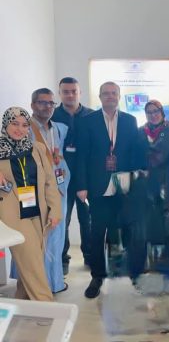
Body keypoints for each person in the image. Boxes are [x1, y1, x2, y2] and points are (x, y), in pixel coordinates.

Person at [76, 81, 141, 298]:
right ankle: (97, 276)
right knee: (97, 233)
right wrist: (82, 186)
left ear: (119, 96)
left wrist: (135, 183)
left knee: (128, 232)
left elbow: (134, 153)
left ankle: (134, 273)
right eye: (106, 93)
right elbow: (81, 156)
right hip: (98, 186)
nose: (110, 96)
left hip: (124, 187)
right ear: (100, 96)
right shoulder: (88, 121)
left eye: (114, 93)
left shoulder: (130, 121)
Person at [0, 107, 61, 301]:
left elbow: (50, 181)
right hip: (12, 213)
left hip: (37, 210)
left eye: (25, 125)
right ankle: (46, 307)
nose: (20, 129)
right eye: (14, 124)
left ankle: (23, 301)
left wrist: (55, 210)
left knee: (33, 260)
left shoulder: (37, 149)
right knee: (32, 260)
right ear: (5, 124)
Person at [133, 100, 169, 277]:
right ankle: (146, 265)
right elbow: (136, 158)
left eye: (156, 111)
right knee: (147, 226)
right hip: (146, 186)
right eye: (149, 112)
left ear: (162, 112)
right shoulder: (140, 132)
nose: (153, 115)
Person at [30, 88, 71, 294]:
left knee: (57, 236)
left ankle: (54, 282)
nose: (47, 107)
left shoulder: (60, 129)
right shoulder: (25, 128)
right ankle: (36, 285)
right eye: (42, 102)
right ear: (32, 105)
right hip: (35, 190)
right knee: (38, 237)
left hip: (59, 188)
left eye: (50, 103)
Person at [52, 77, 93, 275]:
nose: (70, 95)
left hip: (87, 178)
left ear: (80, 93)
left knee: (88, 221)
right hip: (60, 179)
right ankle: (62, 259)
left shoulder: (92, 116)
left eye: (73, 91)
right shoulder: (52, 116)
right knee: (62, 221)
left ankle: (90, 256)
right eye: (66, 91)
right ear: (60, 93)